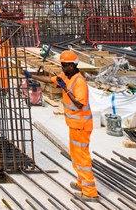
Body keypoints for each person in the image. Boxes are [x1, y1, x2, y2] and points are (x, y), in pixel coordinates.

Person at [53, 50, 98, 202]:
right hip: (74, 125)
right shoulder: (67, 76)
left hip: (82, 126)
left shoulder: (79, 82)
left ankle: (90, 192)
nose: (62, 68)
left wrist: (64, 88)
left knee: (82, 158)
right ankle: (81, 183)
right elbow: (50, 79)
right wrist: (31, 76)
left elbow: (79, 103)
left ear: (72, 65)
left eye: (64, 65)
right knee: (75, 156)